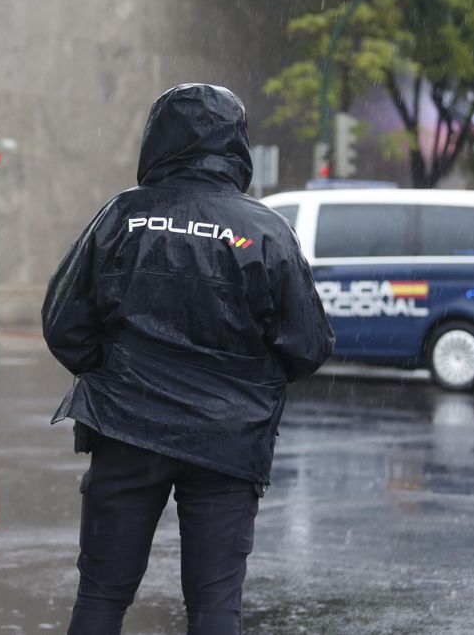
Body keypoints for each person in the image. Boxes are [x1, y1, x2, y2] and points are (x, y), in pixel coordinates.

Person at [42, 83, 334, 635]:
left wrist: (115, 370)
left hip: (126, 431)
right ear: (236, 147)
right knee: (215, 604)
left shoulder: (121, 216)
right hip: (228, 441)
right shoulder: (265, 230)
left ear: (157, 139)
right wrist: (245, 383)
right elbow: (309, 344)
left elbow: (63, 322)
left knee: (102, 593)